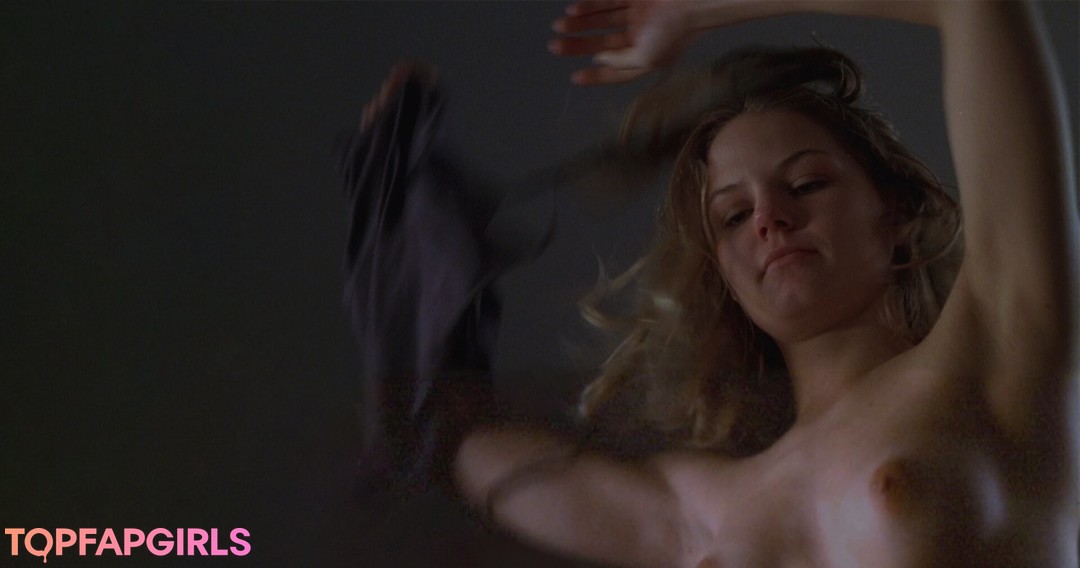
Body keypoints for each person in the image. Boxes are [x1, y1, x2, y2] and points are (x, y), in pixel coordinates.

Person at [343, 1, 1078, 566]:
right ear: (723, 274)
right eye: (732, 215)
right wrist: (402, 224)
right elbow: (447, 438)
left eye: (807, 183)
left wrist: (695, 9)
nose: (769, 219)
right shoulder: (699, 506)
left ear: (897, 213)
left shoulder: (1001, 350)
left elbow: (979, 6)